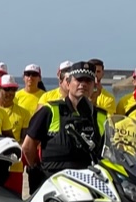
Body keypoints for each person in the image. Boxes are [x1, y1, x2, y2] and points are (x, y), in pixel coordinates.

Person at [21, 63, 109, 191]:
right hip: (52, 183)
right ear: (67, 83)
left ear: (94, 86)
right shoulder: (50, 110)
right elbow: (28, 146)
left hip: (88, 185)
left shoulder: (101, 116)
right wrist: (37, 169)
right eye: (78, 79)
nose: (83, 84)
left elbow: (109, 152)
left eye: (88, 81)